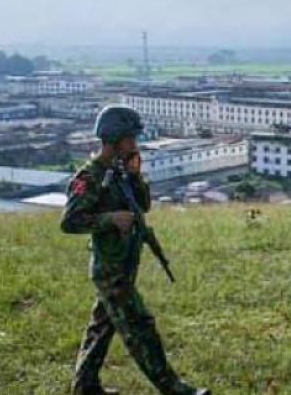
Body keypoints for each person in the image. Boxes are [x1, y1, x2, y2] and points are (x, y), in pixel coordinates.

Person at [61, 105, 209, 395]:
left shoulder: (121, 172)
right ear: (113, 139)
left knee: (101, 328)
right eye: (130, 139)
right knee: (140, 327)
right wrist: (110, 219)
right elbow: (70, 221)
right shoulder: (89, 177)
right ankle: (173, 388)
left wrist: (135, 176)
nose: (134, 145)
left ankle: (85, 387)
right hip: (110, 270)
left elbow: (143, 206)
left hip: (124, 264)